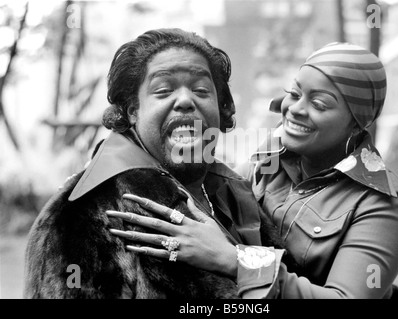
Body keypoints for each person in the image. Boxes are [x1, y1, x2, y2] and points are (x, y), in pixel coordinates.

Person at [108, 42, 398, 299]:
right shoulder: (271, 157)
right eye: (294, 93)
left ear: (358, 122)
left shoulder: (383, 201)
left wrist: (235, 261)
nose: (295, 109)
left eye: (319, 103)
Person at [23, 28, 276, 299]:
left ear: (221, 107)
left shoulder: (233, 191)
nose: (185, 101)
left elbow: (297, 282)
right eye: (164, 90)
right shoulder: (82, 214)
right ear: (133, 111)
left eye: (201, 90)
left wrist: (237, 260)